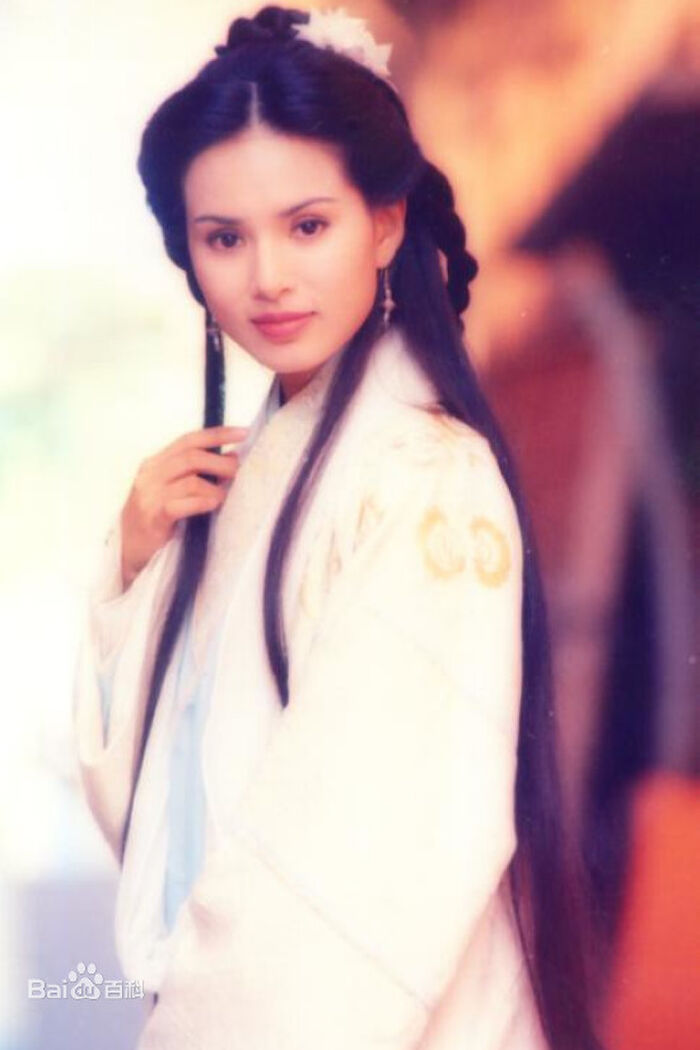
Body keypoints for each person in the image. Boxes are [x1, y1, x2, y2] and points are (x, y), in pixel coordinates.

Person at [72, 6, 604, 1048]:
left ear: (386, 224)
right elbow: (162, 816)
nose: (267, 276)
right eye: (224, 238)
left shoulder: (425, 479)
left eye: (308, 226)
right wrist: (136, 572)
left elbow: (361, 869)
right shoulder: (250, 473)